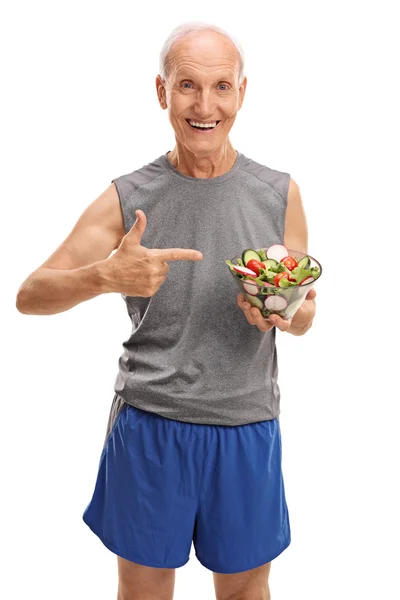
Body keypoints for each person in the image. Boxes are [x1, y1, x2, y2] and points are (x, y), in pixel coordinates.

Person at [16, 21, 317, 600]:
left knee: (245, 592)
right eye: (187, 86)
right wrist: (105, 275)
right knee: (146, 592)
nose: (205, 105)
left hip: (246, 423)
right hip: (150, 425)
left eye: (221, 87)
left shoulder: (280, 193)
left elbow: (304, 312)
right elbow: (31, 294)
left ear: (242, 92)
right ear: (162, 92)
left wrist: (284, 311)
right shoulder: (129, 196)